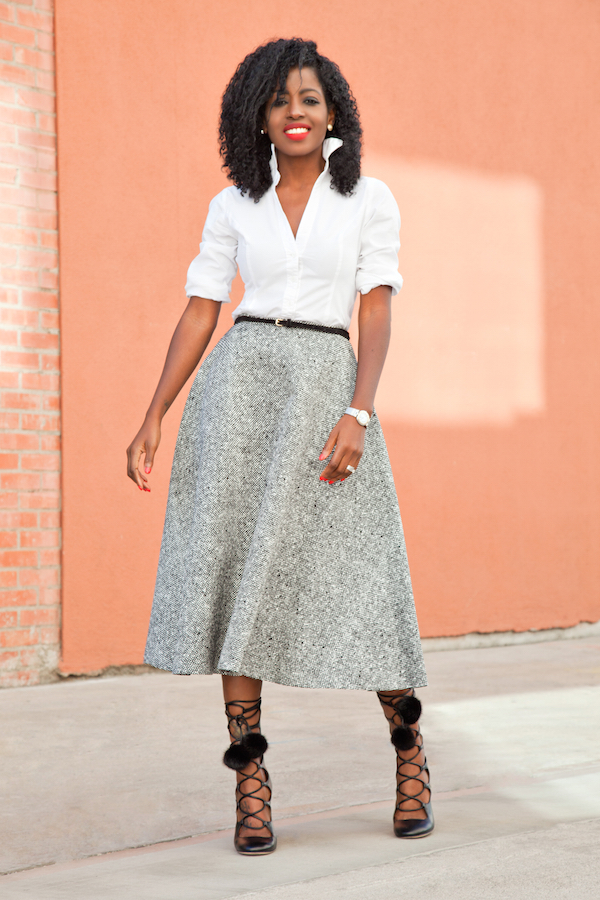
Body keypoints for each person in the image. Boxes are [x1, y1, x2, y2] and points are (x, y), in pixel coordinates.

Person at [126, 38, 433, 857]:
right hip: (240, 392)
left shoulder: (369, 198)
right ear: (256, 117)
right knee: (239, 581)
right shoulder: (234, 206)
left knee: (364, 577)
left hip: (327, 391)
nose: (294, 113)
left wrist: (358, 412)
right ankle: (251, 786)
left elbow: (374, 307)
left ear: (332, 111)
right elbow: (202, 310)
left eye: (308, 99)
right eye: (278, 101)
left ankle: (408, 753)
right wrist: (156, 410)